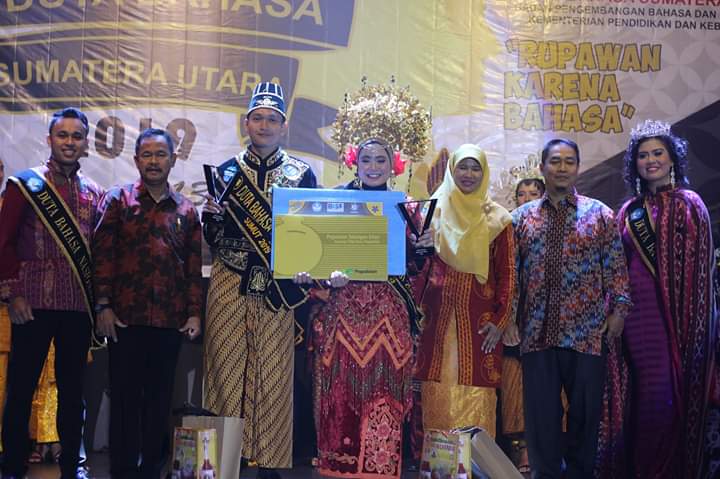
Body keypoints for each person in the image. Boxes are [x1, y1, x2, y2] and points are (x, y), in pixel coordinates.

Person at [202, 82, 317, 479]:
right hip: (229, 280)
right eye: (258, 118)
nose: (264, 125)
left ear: (284, 126)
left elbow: (310, 236)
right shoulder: (225, 172)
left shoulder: (302, 174)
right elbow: (213, 237)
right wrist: (211, 217)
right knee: (225, 370)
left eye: (272, 119)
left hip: (276, 286)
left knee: (274, 373)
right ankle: (223, 462)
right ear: (245, 123)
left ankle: (268, 465)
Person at [294, 137, 427, 479]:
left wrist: (424, 247)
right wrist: (316, 275)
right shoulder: (335, 202)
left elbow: (414, 268)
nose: (373, 167)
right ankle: (338, 467)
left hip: (388, 317)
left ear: (393, 166)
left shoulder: (406, 209)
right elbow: (317, 255)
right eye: (366, 159)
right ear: (355, 163)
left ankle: (379, 469)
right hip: (342, 313)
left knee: (384, 390)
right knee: (340, 393)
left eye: (380, 160)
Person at [596, 120, 717, 478]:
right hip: (636, 317)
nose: (650, 160)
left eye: (657, 153)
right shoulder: (627, 212)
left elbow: (701, 268)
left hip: (676, 316)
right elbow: (615, 266)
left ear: (672, 158)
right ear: (634, 163)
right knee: (644, 394)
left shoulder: (691, 204)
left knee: (668, 393)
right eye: (643, 155)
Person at [511, 138, 631, 479]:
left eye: (569, 162)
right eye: (555, 161)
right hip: (537, 333)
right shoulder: (521, 218)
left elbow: (616, 268)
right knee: (541, 419)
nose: (561, 168)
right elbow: (512, 275)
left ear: (577, 168)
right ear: (542, 167)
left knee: (585, 417)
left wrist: (619, 310)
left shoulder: (599, 214)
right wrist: (509, 319)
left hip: (587, 334)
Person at [92, 128, 202, 478]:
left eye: (161, 154)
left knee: (159, 401)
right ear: (137, 159)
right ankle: (123, 470)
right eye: (147, 155)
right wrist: (103, 305)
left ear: (173, 159)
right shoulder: (118, 200)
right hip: (125, 319)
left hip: (170, 321)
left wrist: (194, 314)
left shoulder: (186, 209)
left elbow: (193, 268)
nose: (154, 161)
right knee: (125, 400)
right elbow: (102, 257)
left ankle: (152, 470)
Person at [0, 107, 103, 479]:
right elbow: (3, 243)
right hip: (32, 303)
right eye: (63, 135)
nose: (69, 142)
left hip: (76, 306)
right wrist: (12, 295)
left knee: (73, 392)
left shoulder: (94, 193)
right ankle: (13, 466)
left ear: (86, 143)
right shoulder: (24, 185)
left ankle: (72, 466)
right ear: (50, 140)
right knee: (21, 388)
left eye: (76, 136)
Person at [415, 144, 515, 438]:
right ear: (452, 170)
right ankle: (438, 463)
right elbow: (416, 270)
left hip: (479, 326)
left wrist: (500, 321)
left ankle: (475, 462)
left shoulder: (498, 219)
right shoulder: (430, 212)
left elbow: (508, 274)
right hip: (435, 323)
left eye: (475, 169)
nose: (469, 174)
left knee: (477, 400)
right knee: (437, 397)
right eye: (463, 167)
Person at [500, 176, 545, 475]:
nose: (526, 199)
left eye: (533, 193)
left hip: (547, 321)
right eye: (521, 194)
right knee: (514, 387)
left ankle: (543, 449)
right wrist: (508, 318)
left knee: (546, 387)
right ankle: (519, 450)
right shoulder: (505, 227)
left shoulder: (555, 227)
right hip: (513, 319)